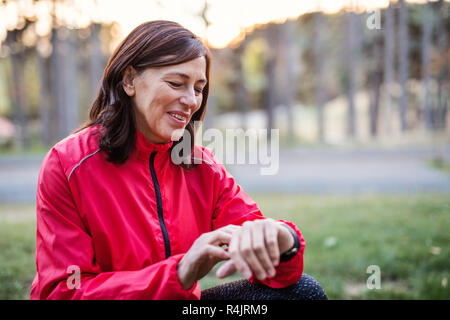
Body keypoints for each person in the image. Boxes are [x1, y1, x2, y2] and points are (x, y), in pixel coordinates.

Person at [30, 20, 327, 300]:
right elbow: (61, 291)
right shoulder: (67, 164)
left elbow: (276, 270)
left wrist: (282, 238)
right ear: (130, 80)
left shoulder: (202, 166)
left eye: (198, 89)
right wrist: (178, 273)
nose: (191, 101)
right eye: (176, 83)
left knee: (304, 292)